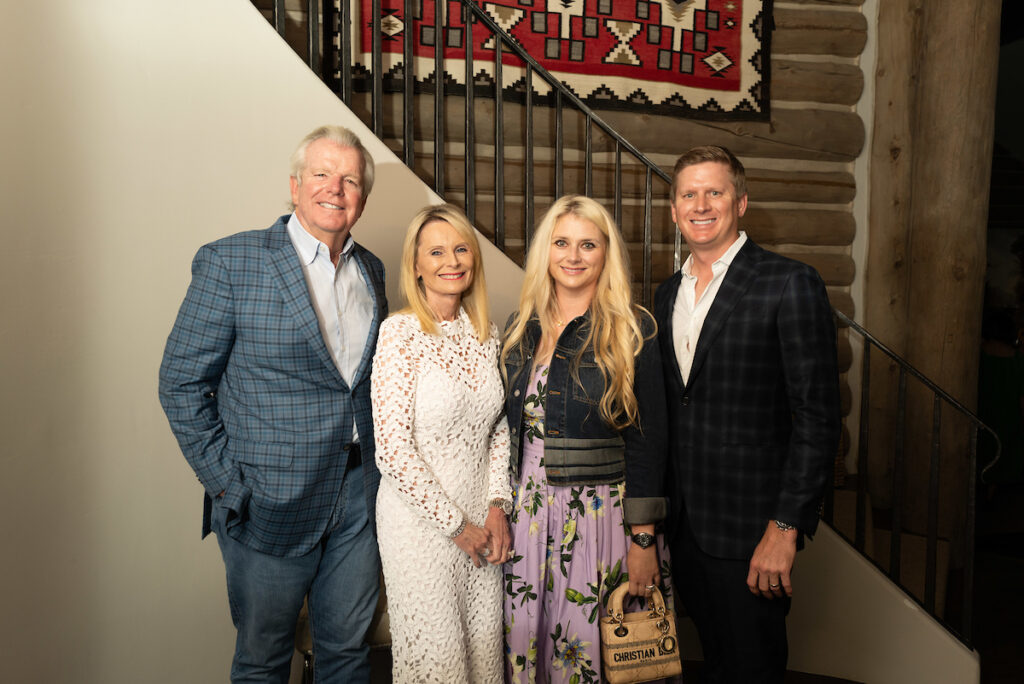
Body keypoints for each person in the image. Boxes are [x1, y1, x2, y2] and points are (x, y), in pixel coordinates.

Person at [159, 125, 387, 683]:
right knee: (263, 661)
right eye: (321, 174)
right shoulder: (232, 261)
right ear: (294, 185)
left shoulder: (373, 270)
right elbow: (181, 384)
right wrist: (230, 488)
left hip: (359, 497)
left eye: (350, 179)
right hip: (268, 504)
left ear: (362, 197)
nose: (335, 188)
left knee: (348, 654)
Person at [653, 145, 840, 682]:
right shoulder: (667, 294)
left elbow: (818, 418)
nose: (701, 205)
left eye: (715, 192)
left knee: (753, 668)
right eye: (689, 194)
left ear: (740, 203)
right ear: (674, 209)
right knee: (714, 662)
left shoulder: (788, 282)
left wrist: (785, 527)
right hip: (683, 527)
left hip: (753, 531)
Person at [501, 195, 671, 683]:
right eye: (561, 243)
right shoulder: (520, 327)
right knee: (527, 643)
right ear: (546, 251)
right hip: (527, 516)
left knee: (594, 651)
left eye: (588, 245)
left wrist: (643, 539)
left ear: (605, 253)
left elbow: (648, 443)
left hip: (599, 519)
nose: (573, 256)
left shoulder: (633, 329)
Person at [371, 204, 512, 682]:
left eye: (460, 249)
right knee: (440, 662)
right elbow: (392, 450)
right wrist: (456, 526)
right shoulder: (399, 334)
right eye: (435, 252)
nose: (451, 261)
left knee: (484, 655)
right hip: (421, 529)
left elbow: (497, 426)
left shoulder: (486, 333)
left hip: (483, 524)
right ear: (416, 265)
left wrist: (497, 506)